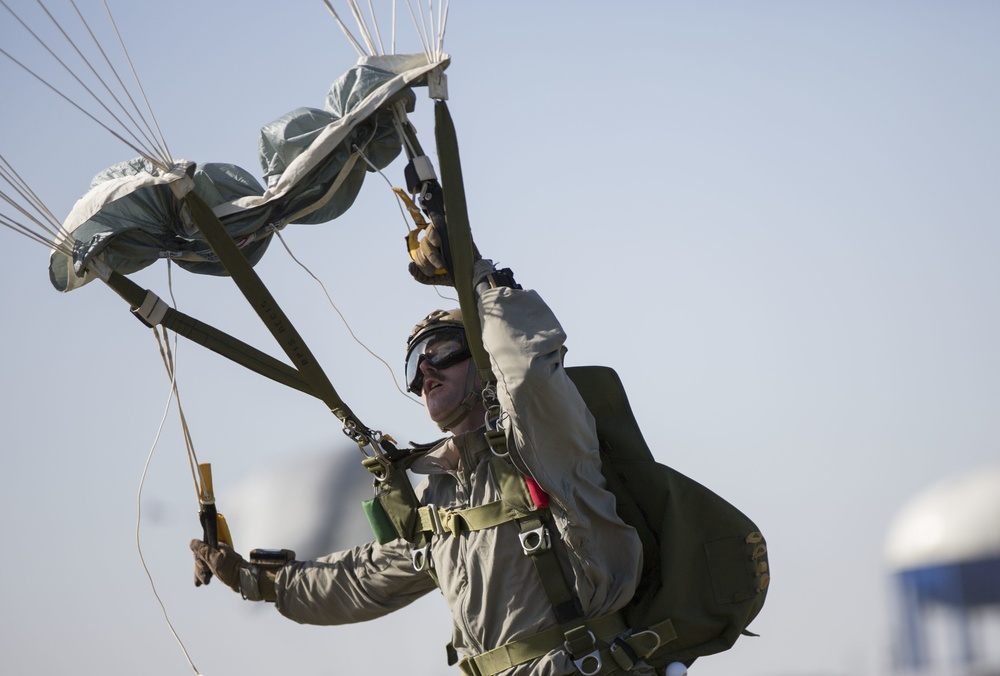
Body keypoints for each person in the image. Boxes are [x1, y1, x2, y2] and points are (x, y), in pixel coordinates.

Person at [190, 229, 653, 675]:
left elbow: (529, 368)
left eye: (443, 350)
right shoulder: (438, 499)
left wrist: (478, 278)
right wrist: (256, 581)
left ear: (485, 360)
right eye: (416, 361)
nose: (426, 368)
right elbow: (363, 577)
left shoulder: (543, 444)